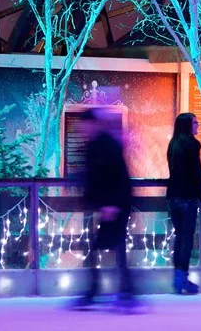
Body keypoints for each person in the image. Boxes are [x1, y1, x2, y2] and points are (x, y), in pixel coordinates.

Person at [72, 108, 135, 310]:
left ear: (93, 125)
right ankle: (115, 291)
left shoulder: (107, 145)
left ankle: (121, 292)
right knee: (106, 248)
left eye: (84, 126)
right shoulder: (93, 146)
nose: (82, 130)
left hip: (116, 206)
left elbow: (119, 177)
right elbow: (93, 176)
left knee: (112, 248)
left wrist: (113, 204)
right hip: (107, 206)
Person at [166, 113, 201, 294]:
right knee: (187, 239)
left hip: (173, 195)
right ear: (188, 126)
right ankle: (182, 278)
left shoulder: (173, 145)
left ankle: (178, 277)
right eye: (195, 122)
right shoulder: (192, 145)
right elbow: (196, 171)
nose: (198, 125)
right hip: (188, 197)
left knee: (180, 236)